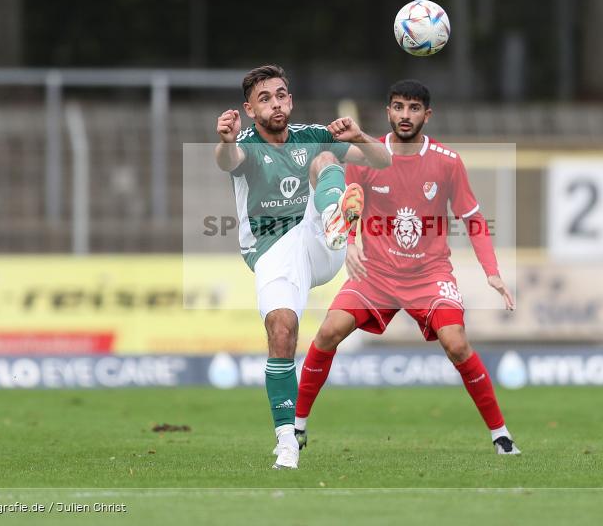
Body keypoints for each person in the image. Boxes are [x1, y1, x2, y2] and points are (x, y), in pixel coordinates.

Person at [294, 79, 521, 455]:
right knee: (328, 332)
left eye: (413, 108)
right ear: (388, 112)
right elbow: (348, 204)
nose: (405, 114)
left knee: (457, 343)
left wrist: (491, 270)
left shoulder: (447, 162)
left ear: (427, 115)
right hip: (377, 274)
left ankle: (501, 435)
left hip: (429, 275)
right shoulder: (366, 157)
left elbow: (473, 217)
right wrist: (350, 245)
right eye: (398, 106)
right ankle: (297, 429)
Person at [214, 65, 391, 469]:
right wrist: (223, 140)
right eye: (265, 99)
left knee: (326, 156)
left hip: (317, 239)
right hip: (272, 250)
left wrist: (361, 135)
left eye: (280, 95)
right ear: (250, 109)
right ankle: (287, 441)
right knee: (281, 330)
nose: (275, 103)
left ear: (290, 100)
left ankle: (335, 218)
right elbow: (228, 160)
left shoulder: (310, 136)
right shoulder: (244, 144)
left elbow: (383, 162)